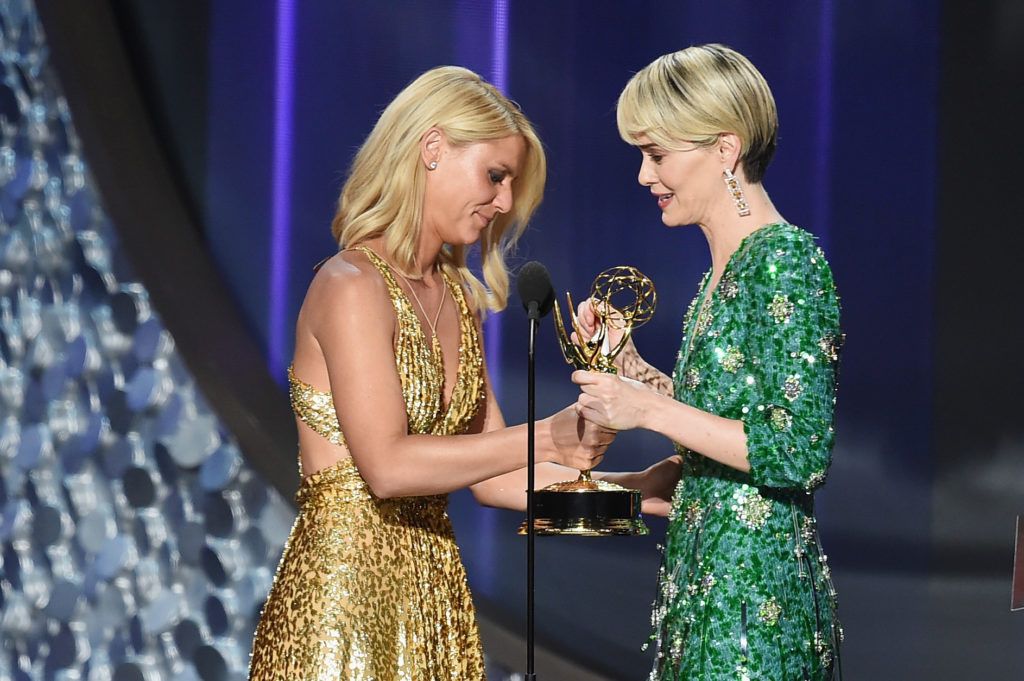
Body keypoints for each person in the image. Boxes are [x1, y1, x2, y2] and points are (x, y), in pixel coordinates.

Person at [247, 66, 617, 680]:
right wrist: (549, 435)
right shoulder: (350, 285)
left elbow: (494, 479)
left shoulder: (459, 296)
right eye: (495, 176)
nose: (503, 202)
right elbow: (388, 469)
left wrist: (642, 499)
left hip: (437, 609)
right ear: (433, 148)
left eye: (511, 186)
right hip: (343, 613)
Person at [571, 45, 844, 679]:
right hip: (705, 587)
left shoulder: (784, 262)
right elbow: (724, 420)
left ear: (725, 150)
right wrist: (633, 366)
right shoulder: (725, 271)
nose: (644, 176)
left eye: (658, 155)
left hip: (752, 610)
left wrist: (646, 408)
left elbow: (798, 450)